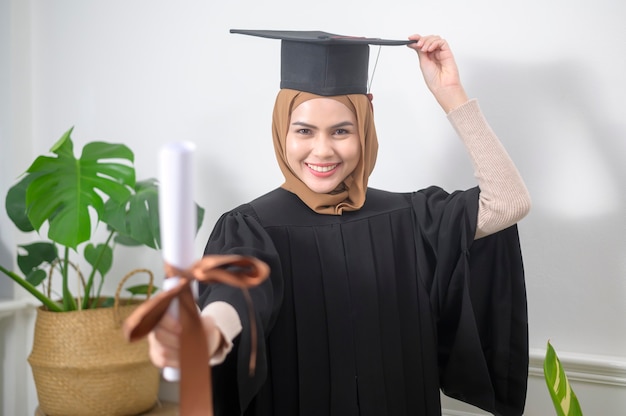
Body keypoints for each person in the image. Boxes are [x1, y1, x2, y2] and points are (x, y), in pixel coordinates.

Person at [148, 30, 532, 416]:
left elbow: (508, 203)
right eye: (303, 130)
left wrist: (450, 93)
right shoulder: (252, 227)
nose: (322, 150)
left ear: (365, 126)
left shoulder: (412, 218)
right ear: (282, 129)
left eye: (341, 131)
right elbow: (238, 294)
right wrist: (209, 331)